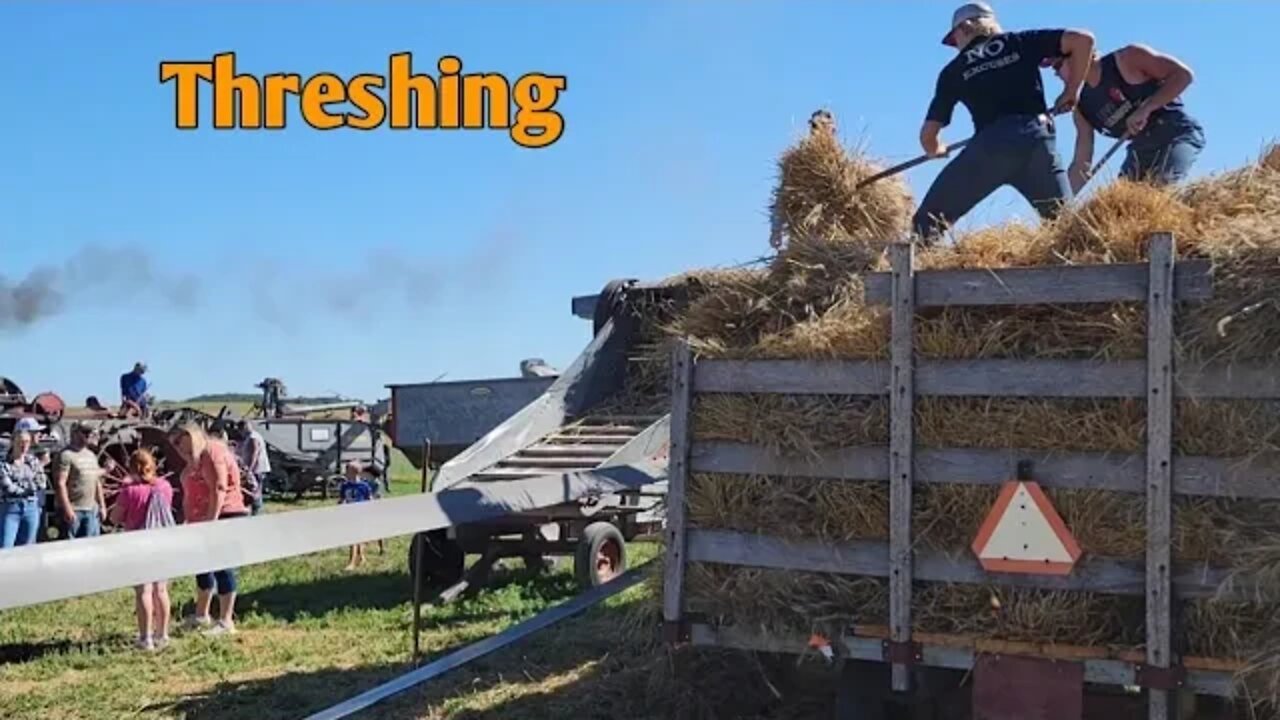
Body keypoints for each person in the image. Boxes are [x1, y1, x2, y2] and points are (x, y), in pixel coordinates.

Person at [913, 2, 1096, 243]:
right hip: (1037, 142)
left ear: (966, 28)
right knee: (1067, 228)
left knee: (926, 224)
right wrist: (1073, 90)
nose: (955, 46)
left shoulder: (953, 71)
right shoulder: (1020, 42)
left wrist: (936, 149)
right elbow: (1083, 40)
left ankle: (919, 276)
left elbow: (928, 135)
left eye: (954, 38)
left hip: (991, 149)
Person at [1049, 44, 1204, 192]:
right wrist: (1062, 205)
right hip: (1139, 150)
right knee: (1120, 209)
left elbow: (1183, 75)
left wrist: (1146, 108)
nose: (1055, 74)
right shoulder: (1081, 107)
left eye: (1057, 66)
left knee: (1161, 189)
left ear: (1078, 56)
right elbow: (1081, 165)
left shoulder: (1128, 58)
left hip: (1175, 133)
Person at [170, 423, 249, 636]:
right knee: (203, 567)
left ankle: (226, 621)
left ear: (191, 436)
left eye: (180, 442)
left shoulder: (213, 451)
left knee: (222, 566)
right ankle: (201, 615)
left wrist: (211, 523)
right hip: (201, 519)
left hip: (223, 515)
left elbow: (219, 488)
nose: (178, 448)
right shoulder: (194, 460)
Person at [108, 449, 175, 650]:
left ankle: (145, 638)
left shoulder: (129, 491)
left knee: (143, 591)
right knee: (161, 590)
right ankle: (162, 634)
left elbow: (115, 518)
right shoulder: (165, 486)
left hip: (138, 543)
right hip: (161, 542)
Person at [54, 423, 106, 539]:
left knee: (91, 547)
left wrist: (102, 506)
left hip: (91, 509)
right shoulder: (65, 455)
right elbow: (60, 483)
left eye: (90, 433)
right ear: (75, 433)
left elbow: (96, 481)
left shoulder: (91, 455)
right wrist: (67, 508)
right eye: (85, 433)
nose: (88, 436)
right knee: (70, 549)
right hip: (74, 509)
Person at [1, 430, 48, 548]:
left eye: (27, 442)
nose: (24, 445)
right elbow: (8, 487)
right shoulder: (3, 463)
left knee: (27, 548)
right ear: (13, 442)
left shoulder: (33, 461)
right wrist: (29, 487)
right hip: (10, 509)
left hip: (31, 508)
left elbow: (42, 483)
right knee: (6, 546)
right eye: (20, 442)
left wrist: (21, 486)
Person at [337, 462, 379, 570]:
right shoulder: (345, 486)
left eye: (347, 471)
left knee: (354, 539)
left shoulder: (364, 486)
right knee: (357, 538)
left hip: (361, 515)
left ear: (354, 473)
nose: (345, 473)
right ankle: (361, 558)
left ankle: (352, 562)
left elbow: (370, 499)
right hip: (349, 515)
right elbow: (341, 500)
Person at [236, 420, 270, 515]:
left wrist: (249, 470)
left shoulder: (253, 437)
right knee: (256, 490)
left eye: (240, 430)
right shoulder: (252, 436)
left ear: (244, 428)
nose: (240, 433)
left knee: (255, 491)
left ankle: (257, 511)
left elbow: (254, 454)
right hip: (257, 468)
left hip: (256, 469)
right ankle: (257, 509)